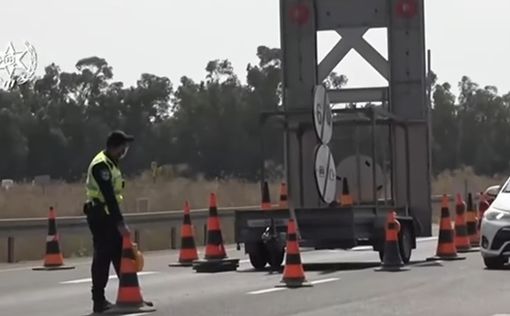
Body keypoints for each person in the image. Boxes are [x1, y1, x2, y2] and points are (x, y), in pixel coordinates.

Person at [83, 130, 134, 313]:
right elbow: (109, 196)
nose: (125, 150)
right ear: (115, 146)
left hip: (107, 215)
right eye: (123, 146)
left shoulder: (112, 163)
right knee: (103, 258)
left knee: (120, 255)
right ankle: (98, 301)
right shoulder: (101, 166)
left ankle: (130, 294)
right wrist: (120, 223)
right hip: (100, 215)